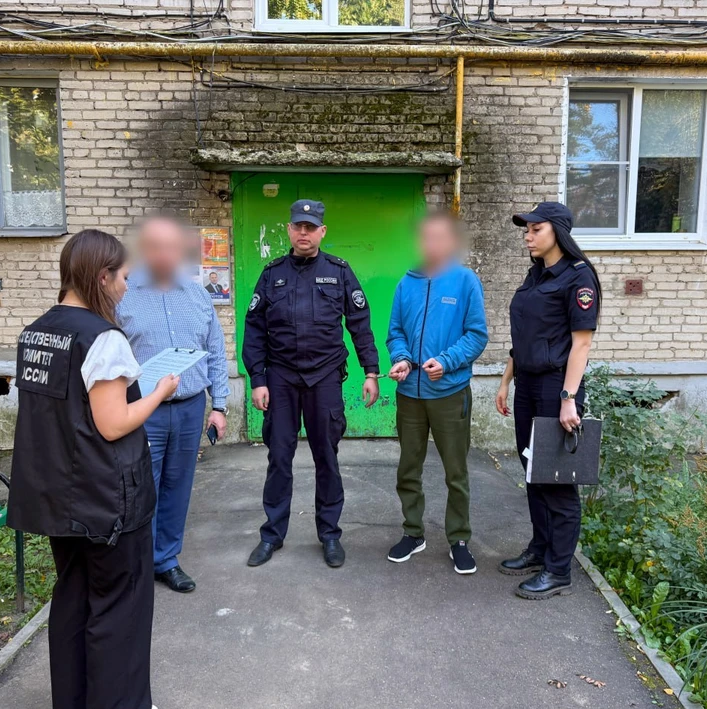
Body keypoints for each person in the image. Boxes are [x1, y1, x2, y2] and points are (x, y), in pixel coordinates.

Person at [8, 229, 179, 709]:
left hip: (59, 501)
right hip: (108, 504)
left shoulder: (36, 331)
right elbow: (112, 423)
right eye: (123, 277)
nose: (126, 287)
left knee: (73, 603)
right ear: (102, 277)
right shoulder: (103, 338)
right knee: (120, 612)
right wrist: (158, 393)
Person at [242, 199, 380, 569]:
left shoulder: (339, 271)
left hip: (324, 378)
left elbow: (360, 324)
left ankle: (330, 534)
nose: (303, 233)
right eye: (298, 226)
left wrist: (370, 372)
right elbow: (254, 329)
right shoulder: (272, 274)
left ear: (322, 231)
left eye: (311, 227)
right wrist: (258, 379)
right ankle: (272, 535)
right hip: (281, 378)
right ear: (289, 230)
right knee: (279, 458)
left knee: (327, 459)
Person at [117, 216, 230, 593]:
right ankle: (137, 563)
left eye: (171, 247)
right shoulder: (123, 294)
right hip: (142, 411)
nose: (164, 254)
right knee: (141, 488)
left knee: (177, 486)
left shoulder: (197, 295)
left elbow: (216, 351)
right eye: (156, 246)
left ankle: (166, 560)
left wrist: (219, 406)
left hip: (189, 408)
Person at [494, 201, 601, 600]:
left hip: (557, 386)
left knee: (557, 480)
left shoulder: (578, 277)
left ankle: (559, 570)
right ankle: (540, 549)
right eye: (527, 229)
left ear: (558, 232)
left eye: (535, 229)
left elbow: (581, 343)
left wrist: (568, 398)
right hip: (527, 384)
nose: (528, 236)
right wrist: (505, 382)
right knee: (533, 472)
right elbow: (523, 336)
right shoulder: (536, 275)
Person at [386, 213, 488, 574]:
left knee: (455, 472)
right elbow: (395, 331)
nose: (432, 244)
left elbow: (477, 335)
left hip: (449, 392)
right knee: (407, 469)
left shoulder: (465, 281)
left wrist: (446, 361)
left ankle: (459, 539)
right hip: (410, 395)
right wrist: (401, 359)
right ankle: (413, 533)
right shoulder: (406, 283)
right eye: (426, 237)